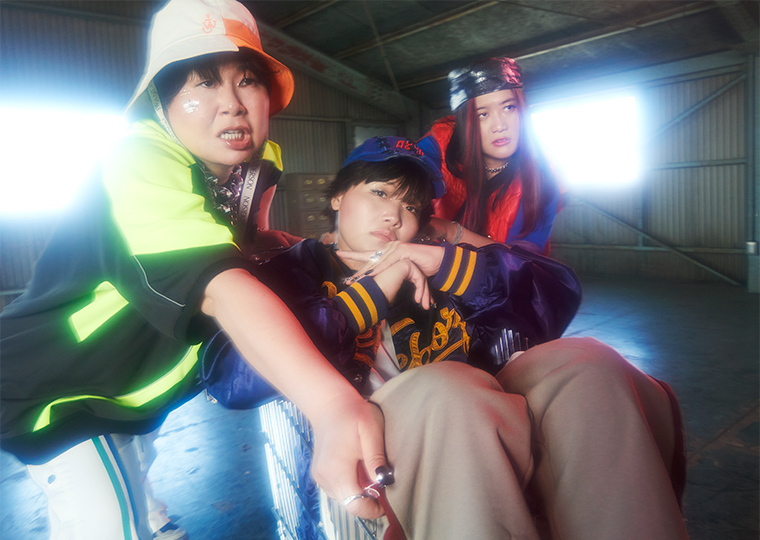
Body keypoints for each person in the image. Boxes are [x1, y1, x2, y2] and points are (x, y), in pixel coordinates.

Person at [0, 0, 382, 538]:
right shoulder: (138, 157)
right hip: (61, 387)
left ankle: (147, 514)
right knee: (108, 523)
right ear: (161, 99)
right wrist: (331, 404)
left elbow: (244, 244)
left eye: (247, 80)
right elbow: (219, 283)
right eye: (202, 84)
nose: (232, 105)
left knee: (135, 475)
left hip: (136, 383)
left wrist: (317, 249)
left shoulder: (250, 168)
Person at [202, 136, 688, 539]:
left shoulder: (436, 257)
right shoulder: (294, 269)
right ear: (338, 196)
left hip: (490, 407)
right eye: (379, 193)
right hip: (397, 423)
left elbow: (556, 295)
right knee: (449, 388)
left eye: (411, 206)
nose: (394, 216)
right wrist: (374, 292)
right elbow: (230, 374)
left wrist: (444, 258)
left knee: (587, 363)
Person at [417, 56, 562, 254]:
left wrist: (450, 231)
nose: (500, 126)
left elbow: (522, 260)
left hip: (494, 274)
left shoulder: (542, 177)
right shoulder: (439, 145)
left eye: (509, 108)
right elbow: (391, 180)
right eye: (482, 114)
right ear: (465, 123)